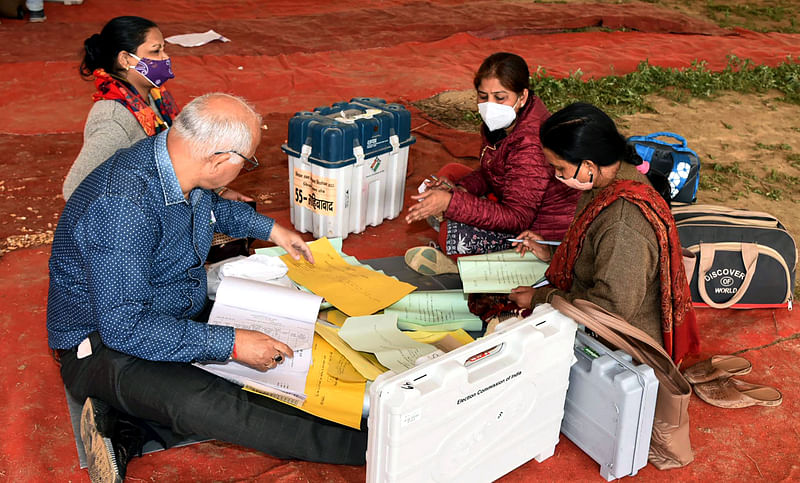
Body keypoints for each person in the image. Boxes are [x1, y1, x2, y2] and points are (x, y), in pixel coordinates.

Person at [47, 93, 367, 482]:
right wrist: (231, 344)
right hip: (101, 345)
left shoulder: (175, 160)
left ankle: (125, 419)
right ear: (217, 160)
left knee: (275, 342)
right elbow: (124, 327)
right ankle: (371, 441)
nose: (246, 169)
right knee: (211, 404)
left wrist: (272, 230)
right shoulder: (123, 207)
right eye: (246, 162)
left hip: (168, 309)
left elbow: (214, 207)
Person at [507, 102, 699, 362]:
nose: (555, 175)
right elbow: (596, 250)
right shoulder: (611, 180)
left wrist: (541, 298)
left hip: (623, 348)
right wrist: (551, 253)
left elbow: (609, 311)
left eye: (560, 168)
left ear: (588, 165)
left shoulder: (623, 223)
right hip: (608, 318)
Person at [404, 52, 580, 268]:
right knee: (452, 173)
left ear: (522, 97)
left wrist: (451, 202)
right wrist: (462, 189)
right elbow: (494, 169)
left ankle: (458, 251)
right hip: (513, 196)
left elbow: (517, 218)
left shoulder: (531, 143)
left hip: (537, 229)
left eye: (500, 97)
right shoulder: (503, 123)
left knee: (451, 236)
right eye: (482, 96)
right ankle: (448, 213)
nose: (489, 105)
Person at [63, 16, 249, 203]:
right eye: (155, 51)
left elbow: (175, 156)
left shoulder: (153, 98)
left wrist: (219, 192)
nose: (165, 58)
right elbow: (74, 189)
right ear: (126, 59)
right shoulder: (114, 119)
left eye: (163, 49)